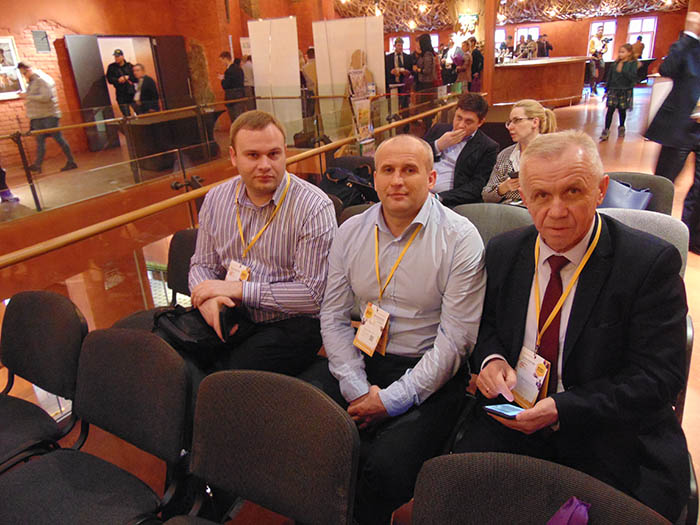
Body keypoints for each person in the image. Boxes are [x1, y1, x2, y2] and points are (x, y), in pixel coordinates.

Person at [453, 130, 690, 523]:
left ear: (600, 191)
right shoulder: (504, 252)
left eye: (573, 192)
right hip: (515, 417)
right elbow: (486, 325)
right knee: (456, 498)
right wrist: (492, 360)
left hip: (609, 430)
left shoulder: (648, 264)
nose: (556, 211)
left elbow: (658, 378)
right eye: (541, 196)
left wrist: (563, 408)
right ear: (524, 197)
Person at [301, 133, 486, 525]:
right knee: (307, 432)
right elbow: (333, 315)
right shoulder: (351, 231)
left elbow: (455, 342)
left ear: (431, 178)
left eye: (409, 170)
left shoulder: (460, 238)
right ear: (375, 177)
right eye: (387, 170)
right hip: (364, 359)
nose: (397, 180)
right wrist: (355, 385)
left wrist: (390, 401)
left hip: (430, 371)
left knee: (383, 468)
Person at [188, 110, 336, 381]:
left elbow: (313, 296)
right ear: (233, 156)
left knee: (226, 379)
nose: (265, 165)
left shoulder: (314, 207)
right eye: (253, 155)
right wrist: (208, 300)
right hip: (230, 311)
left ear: (285, 153)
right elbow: (202, 264)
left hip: (289, 322)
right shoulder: (216, 199)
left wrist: (239, 289)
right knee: (176, 359)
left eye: (273, 154)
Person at [645, 11, 700, 254]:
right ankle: (650, 232)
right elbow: (667, 68)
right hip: (681, 127)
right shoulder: (689, 46)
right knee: (664, 183)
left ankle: (692, 239)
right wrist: (689, 35)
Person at [423, 93, 499, 207]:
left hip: (449, 201)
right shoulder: (438, 129)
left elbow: (476, 187)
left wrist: (439, 197)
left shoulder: (488, 147)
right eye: (458, 118)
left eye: (468, 121)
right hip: (421, 190)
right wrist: (438, 145)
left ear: (480, 122)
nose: (460, 125)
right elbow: (414, 156)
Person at [482, 99, 557, 204]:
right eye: (509, 122)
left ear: (535, 122)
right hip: (508, 210)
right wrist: (503, 188)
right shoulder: (505, 155)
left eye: (517, 120)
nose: (510, 127)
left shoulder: (554, 152)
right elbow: (486, 196)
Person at [17, 62, 77, 174]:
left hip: (49, 115)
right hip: (38, 116)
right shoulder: (33, 81)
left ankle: (71, 161)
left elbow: (46, 97)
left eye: (24, 73)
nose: (24, 76)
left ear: (29, 69)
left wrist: (28, 96)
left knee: (58, 139)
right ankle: (37, 165)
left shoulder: (42, 80)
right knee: (40, 141)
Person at [599, 44, 637, 141]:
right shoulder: (614, 64)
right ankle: (606, 130)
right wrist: (606, 90)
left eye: (623, 52)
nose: (620, 54)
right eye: (619, 52)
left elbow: (633, 78)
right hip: (613, 89)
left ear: (629, 53)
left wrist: (623, 70)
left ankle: (621, 127)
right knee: (610, 110)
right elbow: (609, 77)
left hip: (624, 90)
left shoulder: (632, 64)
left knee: (622, 110)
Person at [105, 49, 136, 116]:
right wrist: (118, 80)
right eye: (115, 56)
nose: (116, 58)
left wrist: (128, 77)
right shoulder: (112, 67)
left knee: (140, 112)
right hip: (121, 94)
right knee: (126, 115)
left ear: (122, 56)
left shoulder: (129, 66)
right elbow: (109, 79)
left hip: (132, 93)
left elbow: (136, 77)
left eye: (118, 56)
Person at [385, 38, 413, 109]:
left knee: (405, 105)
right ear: (394, 46)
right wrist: (391, 72)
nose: (400, 47)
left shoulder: (408, 57)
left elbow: (411, 71)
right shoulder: (388, 58)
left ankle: (405, 115)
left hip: (404, 85)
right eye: (398, 45)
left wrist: (407, 72)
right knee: (393, 105)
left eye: (401, 45)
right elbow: (386, 71)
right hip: (393, 84)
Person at [219, 52, 246, 123]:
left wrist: (223, 79)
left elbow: (226, 85)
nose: (221, 63)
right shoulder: (239, 69)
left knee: (235, 120)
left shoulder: (228, 71)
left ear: (225, 59)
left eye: (221, 60)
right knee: (241, 118)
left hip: (232, 97)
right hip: (241, 95)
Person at [588, 26, 608, 95]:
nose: (600, 31)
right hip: (593, 57)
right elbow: (590, 50)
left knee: (602, 72)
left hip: (600, 57)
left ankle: (596, 84)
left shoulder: (604, 39)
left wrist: (602, 51)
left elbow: (606, 48)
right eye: (599, 30)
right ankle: (592, 89)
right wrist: (596, 50)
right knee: (593, 74)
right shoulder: (593, 39)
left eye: (602, 30)